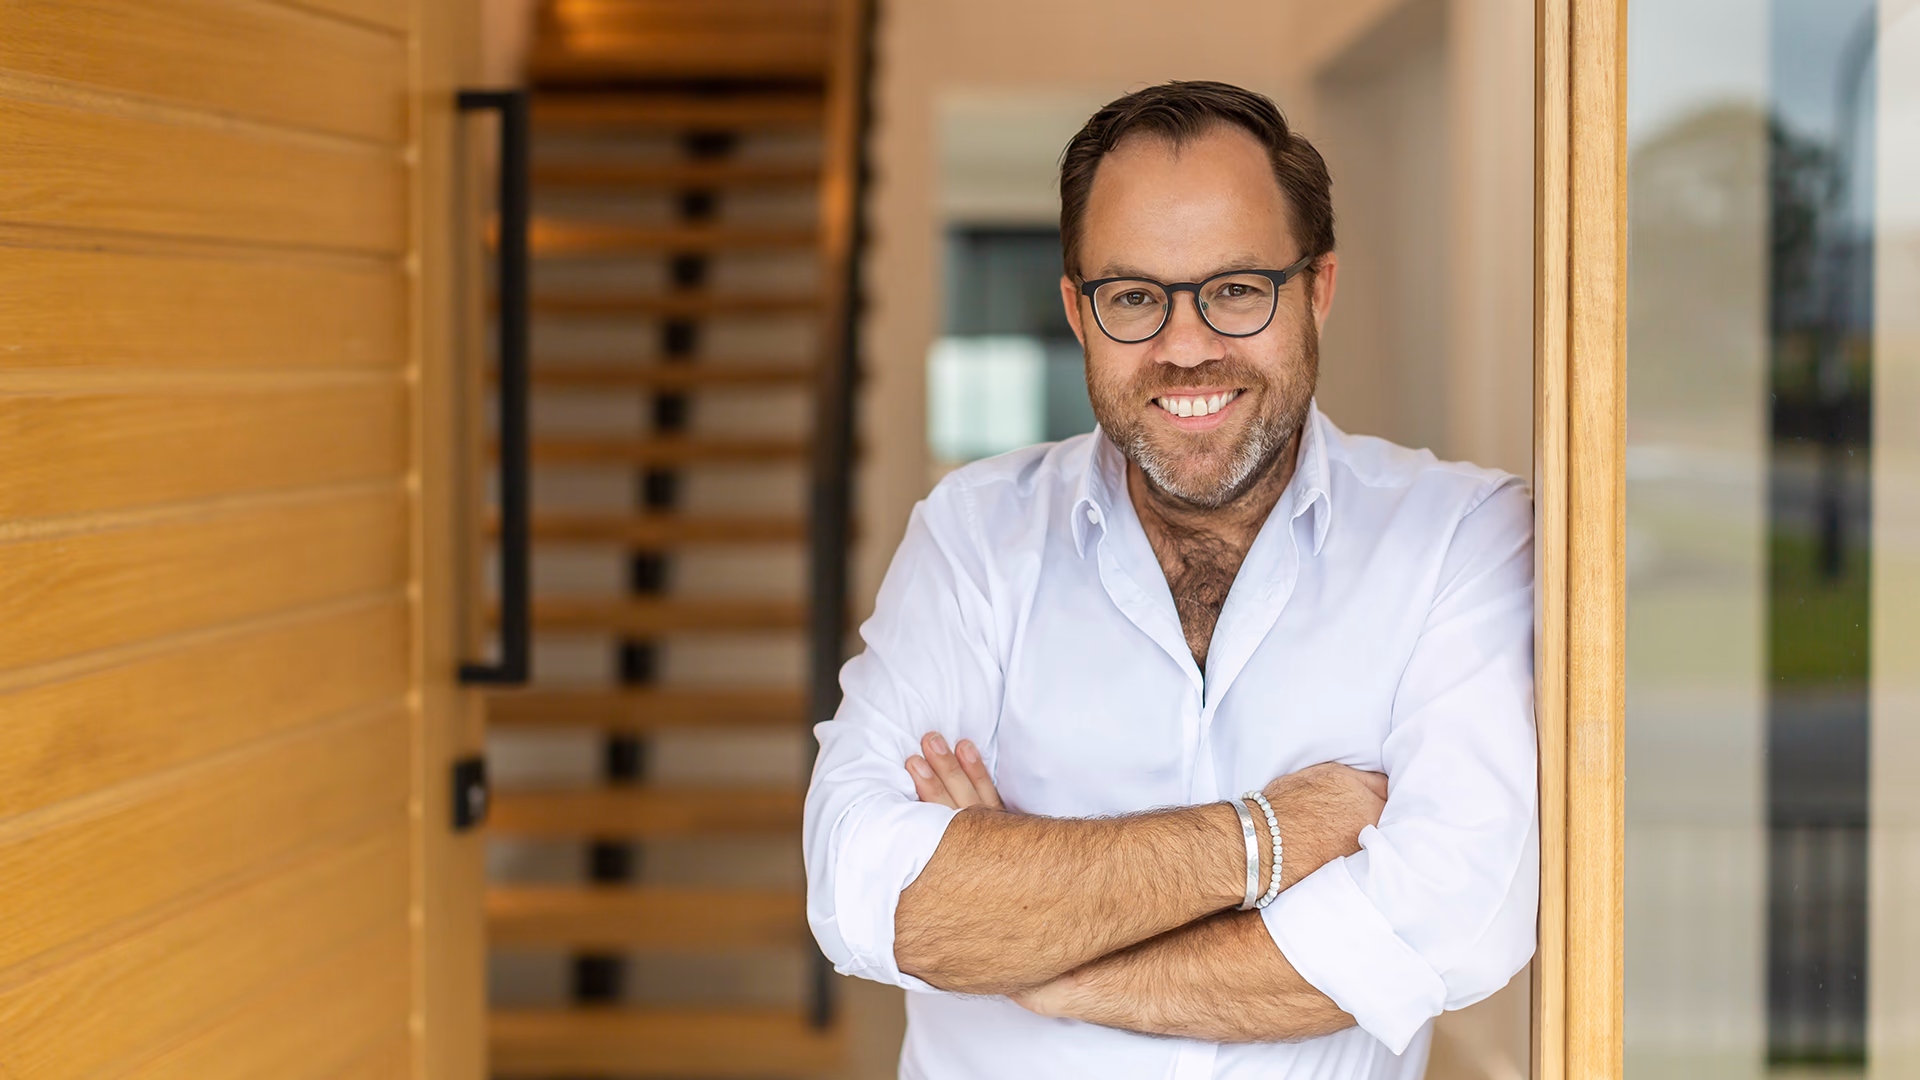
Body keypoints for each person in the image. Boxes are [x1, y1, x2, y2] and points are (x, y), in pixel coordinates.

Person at [803, 80, 1537, 1079]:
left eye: (1237, 289)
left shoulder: (1458, 539)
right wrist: (1268, 839)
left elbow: (1457, 921)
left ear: (1317, 287)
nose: (1185, 346)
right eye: (1134, 297)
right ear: (1077, 309)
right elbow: (865, 893)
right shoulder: (975, 538)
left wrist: (1052, 961)